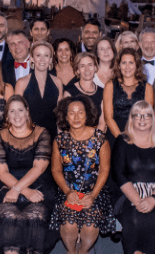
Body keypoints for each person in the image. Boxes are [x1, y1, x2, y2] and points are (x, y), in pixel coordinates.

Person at [0, 95, 57, 254]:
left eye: (20, 110)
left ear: (27, 113)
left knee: (35, 216)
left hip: (38, 186)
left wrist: (20, 189)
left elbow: (38, 168)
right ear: (7, 116)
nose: (17, 115)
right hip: (6, 187)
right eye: (12, 111)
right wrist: (22, 190)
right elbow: (1, 171)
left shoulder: (42, 133)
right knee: (9, 217)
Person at [50, 95, 116, 254]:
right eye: (71, 113)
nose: (76, 116)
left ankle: (84, 251)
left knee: (89, 222)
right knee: (70, 222)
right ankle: (72, 251)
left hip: (95, 192)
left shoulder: (100, 139)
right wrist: (68, 192)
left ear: (87, 114)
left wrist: (92, 195)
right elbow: (56, 170)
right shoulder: (60, 140)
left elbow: (105, 170)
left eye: (80, 112)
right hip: (68, 191)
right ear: (65, 116)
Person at [111, 100, 155, 254]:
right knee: (135, 218)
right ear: (131, 119)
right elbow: (118, 174)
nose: (142, 119)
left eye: (147, 115)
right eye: (137, 115)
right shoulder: (122, 141)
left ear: (153, 119)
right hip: (128, 194)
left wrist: (153, 199)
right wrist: (138, 201)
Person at [103, 48, 154, 145]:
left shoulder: (147, 87)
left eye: (131, 62)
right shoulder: (110, 85)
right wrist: (121, 140)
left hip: (140, 136)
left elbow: (148, 117)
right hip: (115, 136)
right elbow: (108, 118)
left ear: (137, 65)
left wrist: (136, 139)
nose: (127, 67)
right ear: (118, 65)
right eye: (123, 63)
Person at [15, 42, 64, 141]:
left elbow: (60, 116)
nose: (42, 59)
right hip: (27, 137)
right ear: (32, 59)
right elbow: (16, 114)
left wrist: (61, 140)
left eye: (46, 55)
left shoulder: (58, 82)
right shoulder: (22, 83)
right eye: (38, 55)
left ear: (50, 60)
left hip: (52, 136)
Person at [63, 52, 106, 131]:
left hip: (96, 136)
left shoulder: (102, 92)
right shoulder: (69, 92)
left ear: (95, 68)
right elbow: (66, 122)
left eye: (90, 65)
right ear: (77, 70)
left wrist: (94, 141)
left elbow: (102, 122)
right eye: (82, 66)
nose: (87, 69)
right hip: (75, 136)